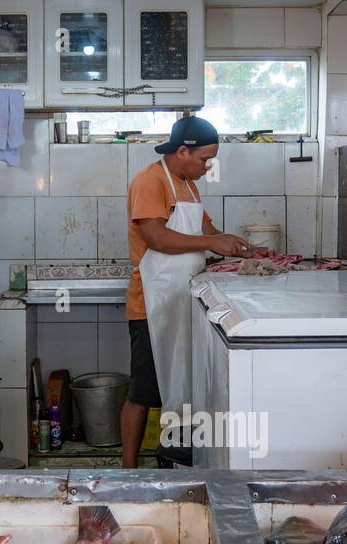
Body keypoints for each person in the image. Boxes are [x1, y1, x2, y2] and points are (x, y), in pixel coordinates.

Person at [121, 116, 250, 468]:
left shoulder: (188, 185)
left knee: (179, 386)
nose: (208, 167)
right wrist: (213, 242)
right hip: (152, 305)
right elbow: (157, 237)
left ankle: (175, 457)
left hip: (184, 303)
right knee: (143, 392)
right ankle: (128, 470)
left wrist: (239, 247)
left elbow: (207, 230)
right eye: (204, 159)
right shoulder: (150, 181)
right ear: (181, 151)